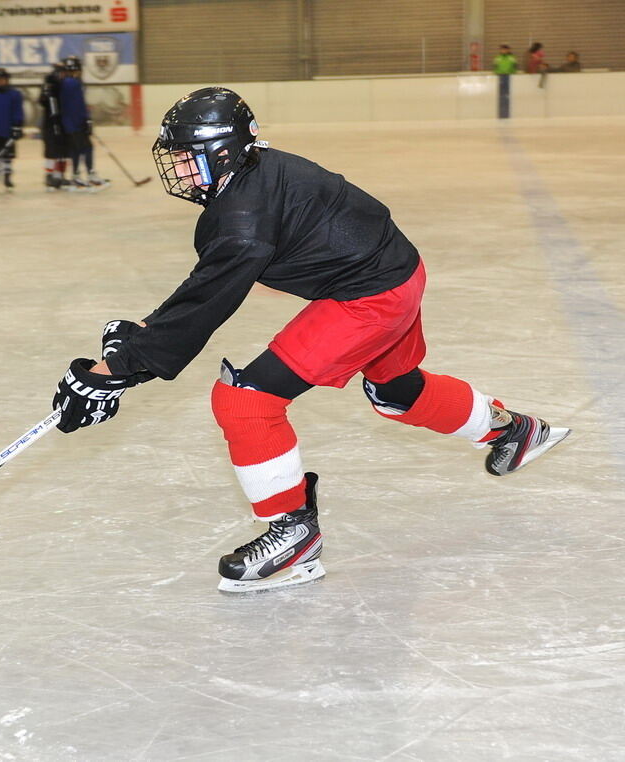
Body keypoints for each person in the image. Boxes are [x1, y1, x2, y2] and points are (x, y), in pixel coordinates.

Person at [51, 88, 570, 593]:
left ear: (225, 152)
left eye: (190, 158)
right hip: (397, 268)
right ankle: (513, 430)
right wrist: (138, 344)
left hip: (371, 296)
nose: (181, 171)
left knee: (245, 400)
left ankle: (293, 535)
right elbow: (209, 286)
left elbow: (210, 300)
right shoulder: (256, 168)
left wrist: (119, 369)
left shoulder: (242, 219)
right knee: (396, 392)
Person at [58, 56, 107, 191]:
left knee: (76, 149)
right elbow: (77, 105)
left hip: (71, 122)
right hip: (75, 122)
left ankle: (77, 175)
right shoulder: (72, 83)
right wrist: (86, 119)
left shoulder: (67, 82)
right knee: (86, 148)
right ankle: (87, 175)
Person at [39, 62, 70, 191]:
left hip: (63, 122)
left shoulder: (65, 84)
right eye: (61, 72)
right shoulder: (49, 84)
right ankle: (49, 175)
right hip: (50, 123)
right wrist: (46, 95)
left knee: (63, 151)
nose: (63, 75)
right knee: (51, 150)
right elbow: (42, 101)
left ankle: (59, 175)